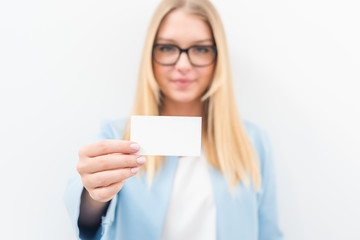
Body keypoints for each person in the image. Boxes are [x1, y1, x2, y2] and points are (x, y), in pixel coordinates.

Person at [64, 0, 283, 239]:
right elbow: (87, 221)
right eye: (168, 48)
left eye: (201, 49)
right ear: (151, 54)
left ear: (218, 58)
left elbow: (268, 233)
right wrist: (93, 195)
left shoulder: (253, 142)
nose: (183, 65)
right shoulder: (117, 136)